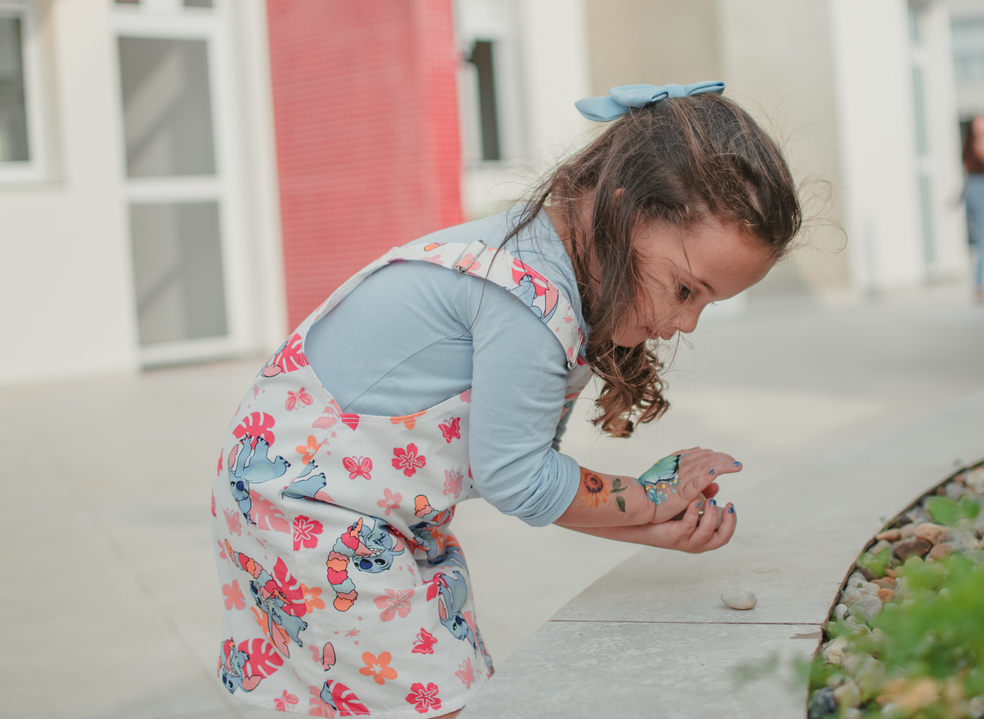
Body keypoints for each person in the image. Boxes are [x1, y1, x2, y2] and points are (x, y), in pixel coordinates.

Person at [211, 82, 802, 717]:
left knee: (406, 690)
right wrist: (652, 498)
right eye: (687, 290)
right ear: (627, 213)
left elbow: (520, 477)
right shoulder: (527, 296)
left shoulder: (543, 271)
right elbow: (521, 480)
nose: (686, 324)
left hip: (328, 503)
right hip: (314, 513)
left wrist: (655, 528)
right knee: (438, 697)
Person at [961, 113, 984, 302]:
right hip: (980, 188)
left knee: (982, 238)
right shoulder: (980, 143)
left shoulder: (969, 144)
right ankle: (980, 286)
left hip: (972, 187)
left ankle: (980, 284)